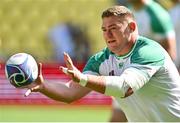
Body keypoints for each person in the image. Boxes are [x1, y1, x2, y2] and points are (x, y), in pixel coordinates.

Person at [24, 6, 180, 122]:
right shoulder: (101, 59)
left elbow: (125, 87)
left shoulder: (148, 51)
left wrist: (83, 78)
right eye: (104, 29)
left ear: (132, 27)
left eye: (114, 28)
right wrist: (44, 86)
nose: (108, 35)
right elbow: (70, 92)